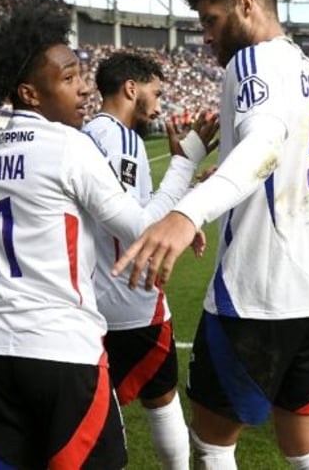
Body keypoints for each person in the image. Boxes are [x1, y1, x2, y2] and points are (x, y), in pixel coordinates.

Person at [0, 3, 201, 469]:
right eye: (69, 78)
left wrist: (8, 289)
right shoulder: (67, 146)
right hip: (64, 350)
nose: (84, 89)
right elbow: (141, 228)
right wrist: (186, 166)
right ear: (29, 93)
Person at [113, 0, 309, 469]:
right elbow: (280, 160)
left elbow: (264, 144)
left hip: (260, 292)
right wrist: (213, 186)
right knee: (305, 442)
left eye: (210, 20)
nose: (205, 36)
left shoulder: (253, 61)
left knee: (212, 442)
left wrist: (186, 213)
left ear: (246, 6)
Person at [82, 51, 218, 470]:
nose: (159, 105)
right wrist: (187, 159)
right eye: (156, 93)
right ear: (130, 88)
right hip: (131, 293)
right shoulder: (122, 139)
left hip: (89, 295)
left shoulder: (86, 136)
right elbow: (138, 224)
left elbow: (129, 207)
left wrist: (180, 219)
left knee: (99, 403)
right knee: (160, 397)